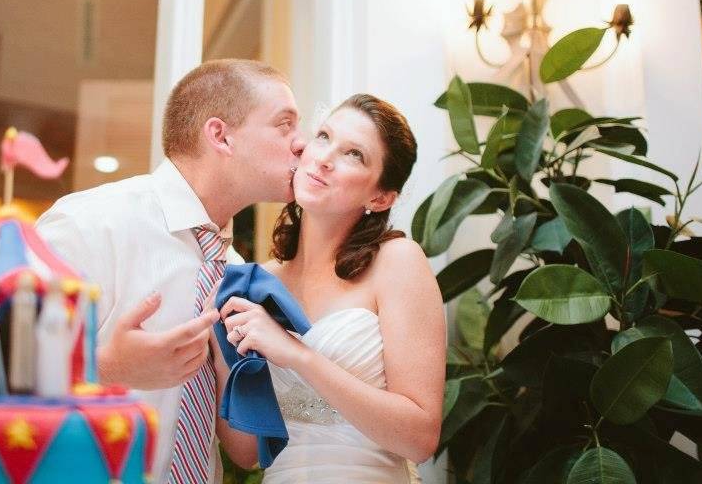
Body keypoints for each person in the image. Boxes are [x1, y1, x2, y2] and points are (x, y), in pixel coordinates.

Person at [35, 59, 305, 484]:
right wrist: (105, 367)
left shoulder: (235, 275)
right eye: (284, 124)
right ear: (221, 136)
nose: (302, 144)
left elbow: (247, 453)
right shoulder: (89, 224)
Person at [213, 94, 446, 483]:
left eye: (354, 154)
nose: (324, 158)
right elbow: (248, 453)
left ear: (380, 197)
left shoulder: (397, 262)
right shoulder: (258, 283)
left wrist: (297, 355)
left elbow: (420, 439)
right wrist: (217, 335)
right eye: (323, 137)